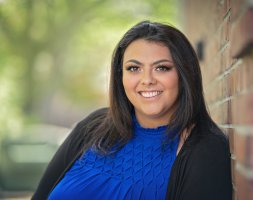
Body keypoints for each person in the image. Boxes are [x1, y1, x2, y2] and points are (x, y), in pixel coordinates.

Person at [32, 21, 232, 200]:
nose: (147, 80)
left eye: (161, 68)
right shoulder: (93, 127)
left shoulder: (205, 149)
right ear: (120, 76)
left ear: (184, 74)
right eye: (134, 68)